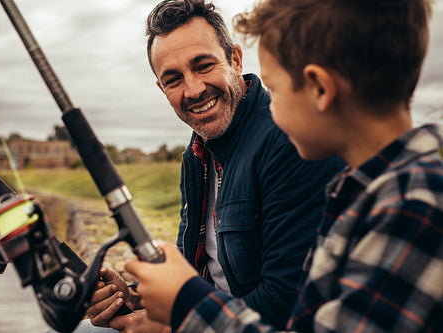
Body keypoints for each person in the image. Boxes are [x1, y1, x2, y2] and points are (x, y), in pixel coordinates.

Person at [125, 0, 443, 332]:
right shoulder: (363, 193)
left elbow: (286, 306)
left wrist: (183, 313)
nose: (270, 108)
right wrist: (142, 296)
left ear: (319, 88)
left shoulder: (410, 208)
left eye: (274, 91)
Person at [78, 0, 341, 332]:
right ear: (162, 89)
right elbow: (191, 272)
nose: (194, 89)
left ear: (234, 59)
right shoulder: (198, 150)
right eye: (173, 79)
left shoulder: (290, 140)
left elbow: (286, 300)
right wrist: (133, 299)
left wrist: (174, 323)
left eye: (203, 65)